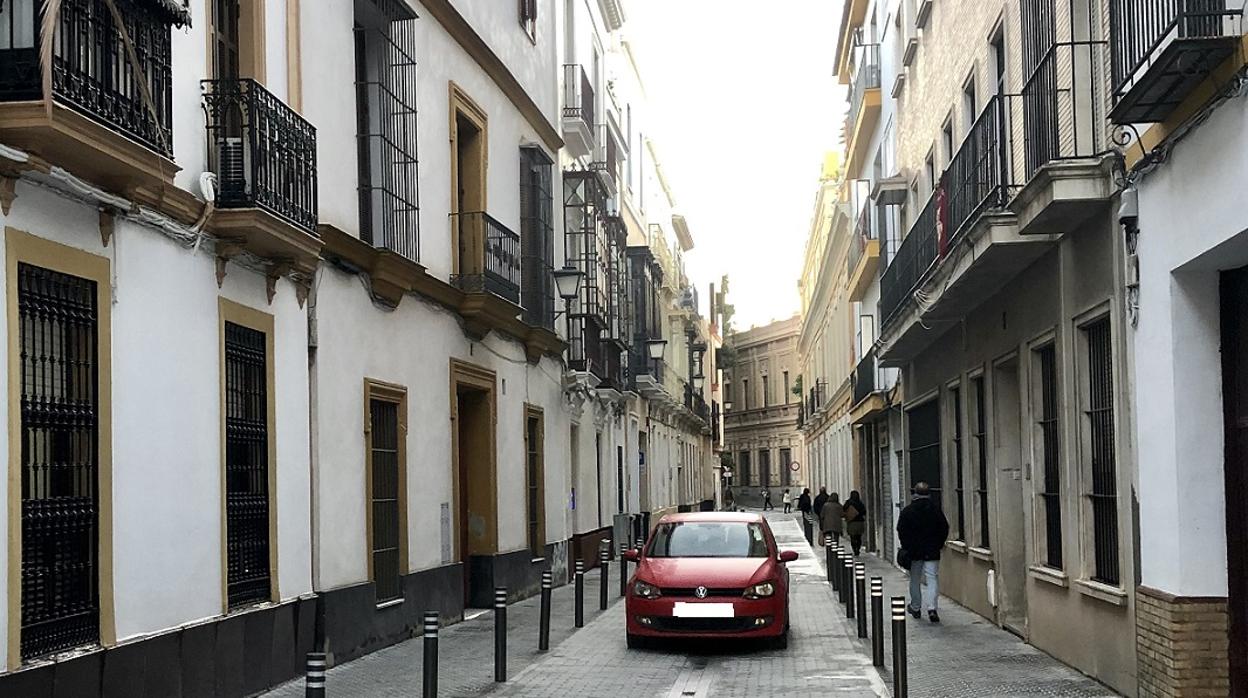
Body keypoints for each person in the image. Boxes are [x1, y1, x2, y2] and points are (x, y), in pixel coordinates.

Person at [896, 481, 950, 623]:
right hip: (932, 550)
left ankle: (915, 606)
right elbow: (944, 527)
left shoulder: (908, 511)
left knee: (915, 579)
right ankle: (932, 608)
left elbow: (901, 529)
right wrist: (938, 544)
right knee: (932, 578)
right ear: (929, 494)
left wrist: (906, 546)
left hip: (914, 551)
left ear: (915, 494)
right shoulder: (935, 510)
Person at [844, 490, 868, 556]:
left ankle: (855, 549)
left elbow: (844, 510)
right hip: (860, 522)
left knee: (852, 537)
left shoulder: (848, 502)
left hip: (852, 523)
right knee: (859, 537)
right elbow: (864, 512)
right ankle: (858, 548)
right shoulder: (860, 503)